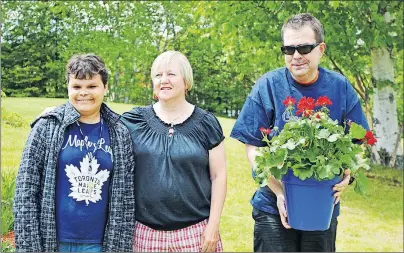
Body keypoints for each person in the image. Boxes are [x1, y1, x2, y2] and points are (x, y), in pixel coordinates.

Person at [230, 13, 369, 252]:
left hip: (322, 205)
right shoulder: (268, 85)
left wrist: (348, 175)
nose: (296, 56)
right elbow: (253, 146)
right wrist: (279, 192)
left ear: (321, 49)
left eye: (304, 48)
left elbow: (359, 141)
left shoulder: (339, 86)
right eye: (288, 49)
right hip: (273, 206)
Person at [13, 54, 136, 252]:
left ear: (105, 87)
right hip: (52, 240)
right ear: (68, 88)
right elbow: (25, 191)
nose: (84, 93)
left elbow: (126, 200)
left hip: (98, 244)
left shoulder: (119, 133)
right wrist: (29, 246)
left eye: (92, 86)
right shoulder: (48, 126)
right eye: (77, 86)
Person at [120, 51, 227, 252]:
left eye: (171, 74)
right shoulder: (133, 121)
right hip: (145, 235)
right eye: (158, 75)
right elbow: (97, 121)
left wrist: (212, 227)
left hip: (195, 234)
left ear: (186, 82)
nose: (164, 80)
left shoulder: (206, 123)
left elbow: (218, 176)